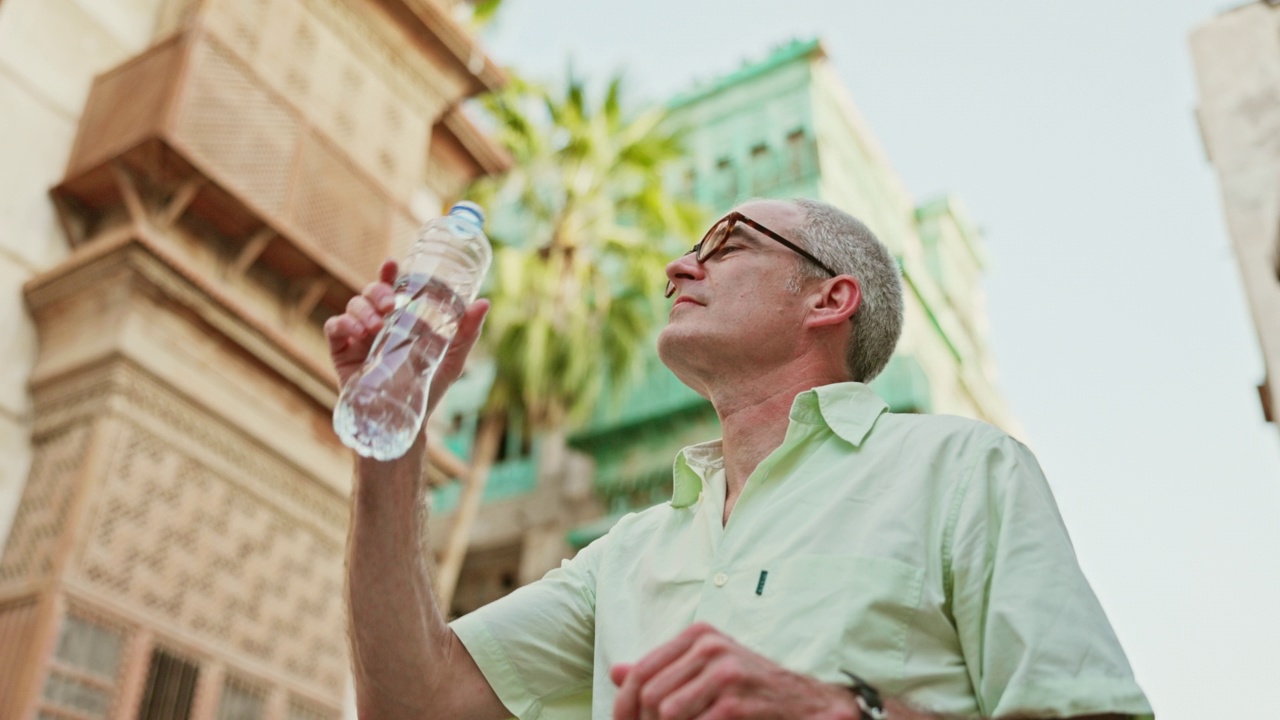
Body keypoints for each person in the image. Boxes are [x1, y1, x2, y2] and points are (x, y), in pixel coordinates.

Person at [325, 198, 1153, 720]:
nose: (680, 265)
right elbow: (411, 703)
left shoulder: (964, 469)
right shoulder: (625, 555)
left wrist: (840, 711)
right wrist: (395, 432)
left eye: (726, 243)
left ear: (831, 297)